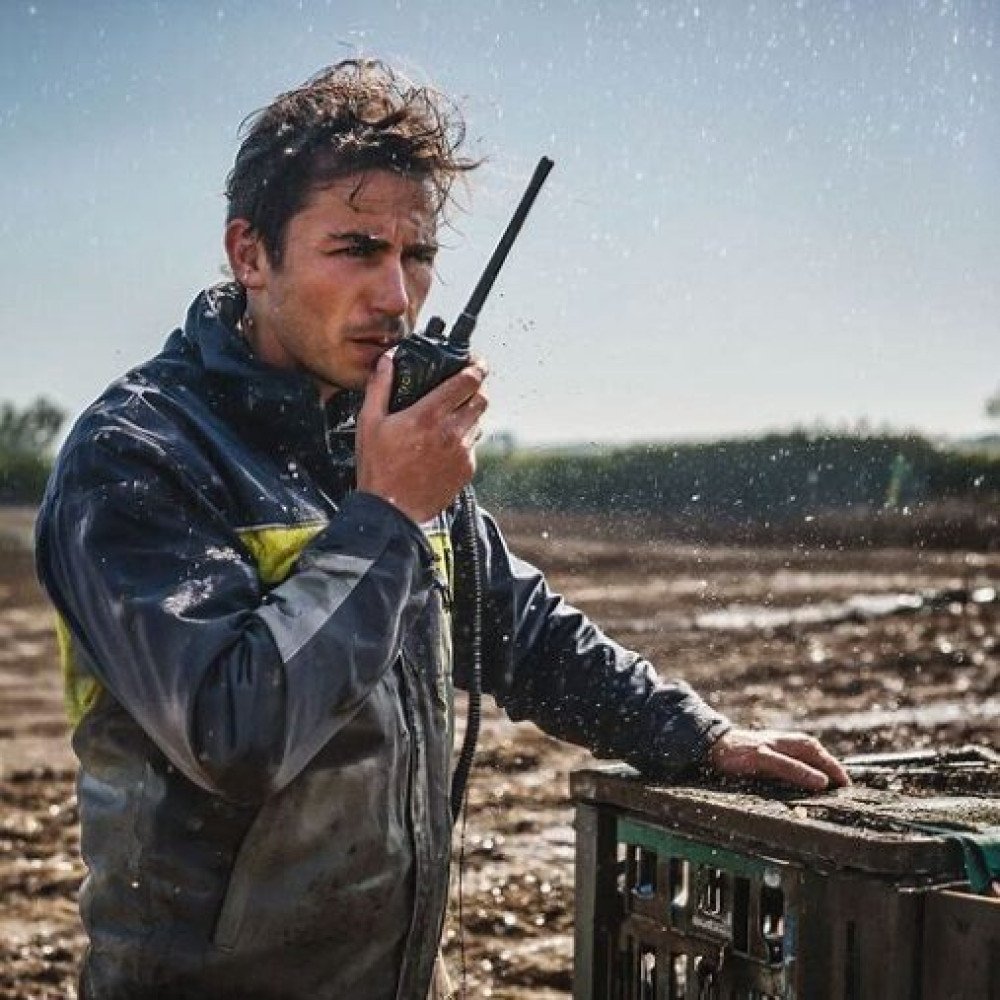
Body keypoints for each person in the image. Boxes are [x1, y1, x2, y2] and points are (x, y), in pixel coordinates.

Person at [35, 59, 849, 1000]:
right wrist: (386, 512)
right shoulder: (139, 454)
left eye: (416, 256)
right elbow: (235, 731)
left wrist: (697, 737)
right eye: (357, 249)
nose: (398, 297)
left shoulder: (374, 430)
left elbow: (518, 630)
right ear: (249, 254)